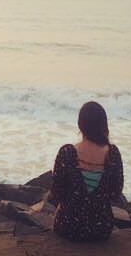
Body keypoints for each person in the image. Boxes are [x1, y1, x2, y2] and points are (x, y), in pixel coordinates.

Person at [48, 101, 124, 241]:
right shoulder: (113, 153)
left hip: (68, 227)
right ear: (104, 125)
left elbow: (56, 193)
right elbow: (115, 193)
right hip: (101, 228)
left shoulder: (67, 152)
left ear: (80, 125)